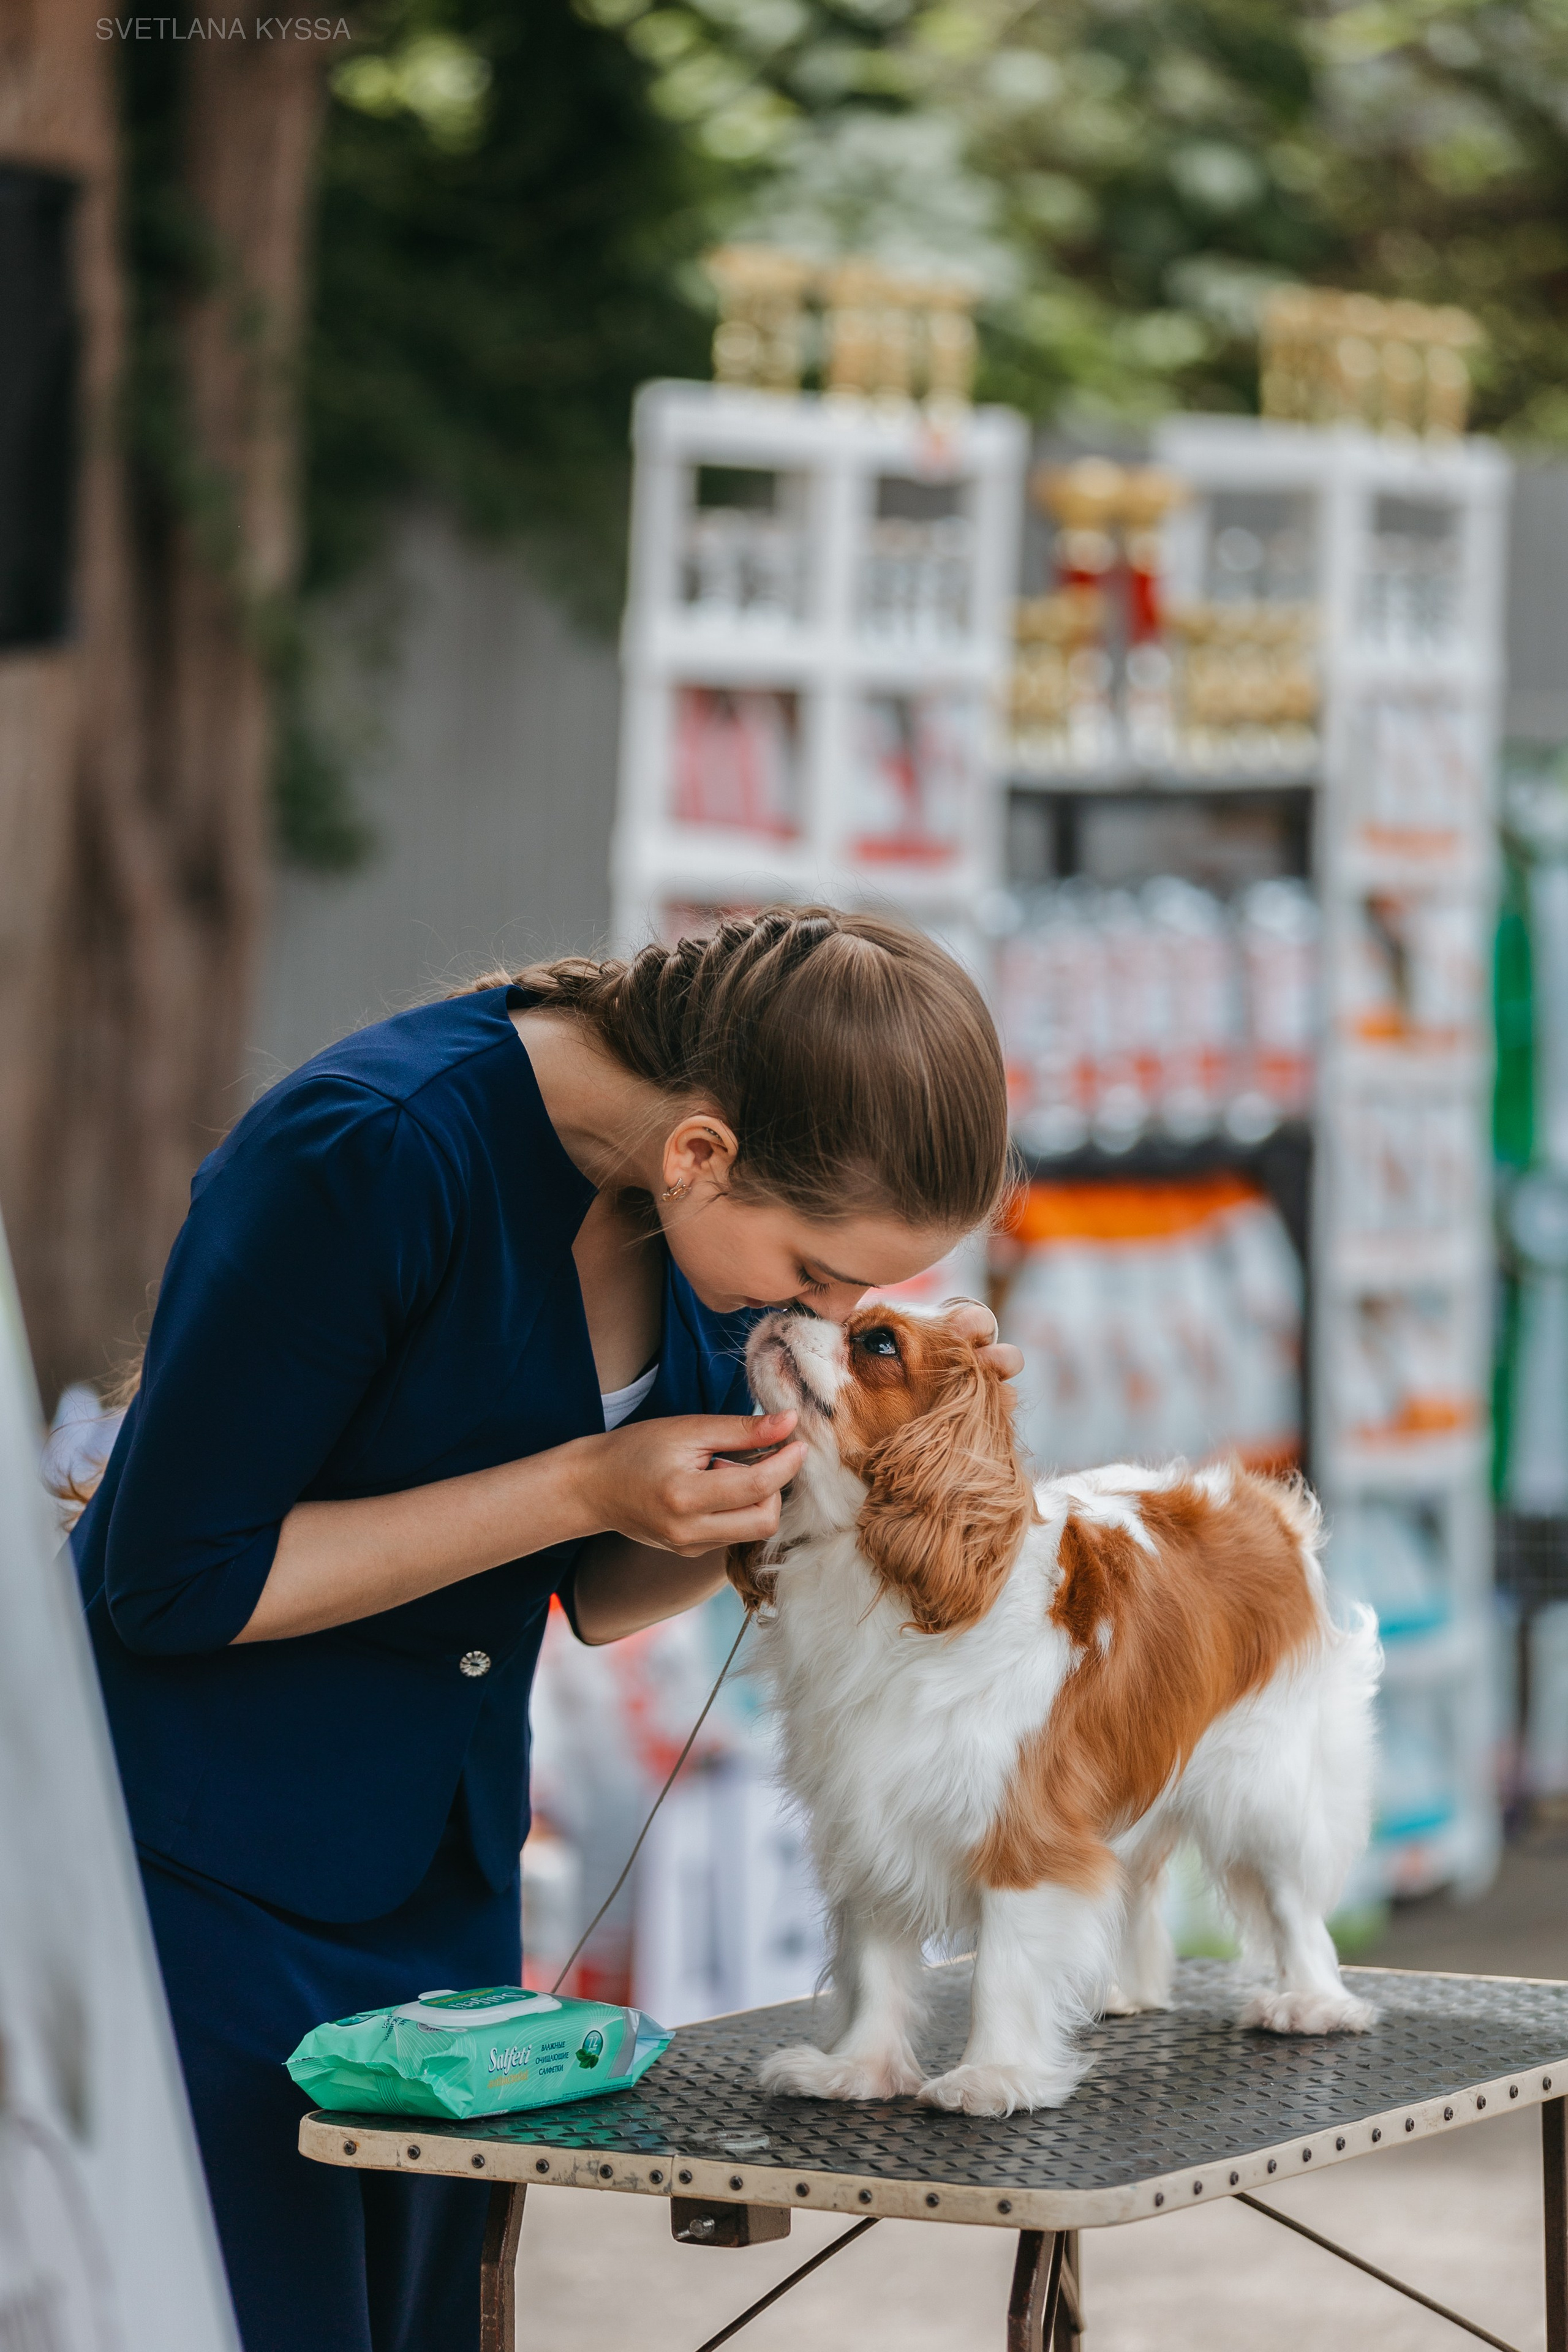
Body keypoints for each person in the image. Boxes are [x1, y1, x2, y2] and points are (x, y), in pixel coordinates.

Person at [71, 906, 1019, 2352]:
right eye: (818, 1272)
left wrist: (763, 1518)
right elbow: (173, 1580)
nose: (824, 1313)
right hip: (189, 1879)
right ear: (701, 1152)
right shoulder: (371, 1148)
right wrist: (582, 1480)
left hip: (438, 1885)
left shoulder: (692, 1226)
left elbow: (590, 1590)